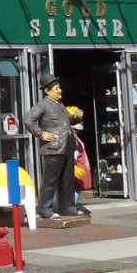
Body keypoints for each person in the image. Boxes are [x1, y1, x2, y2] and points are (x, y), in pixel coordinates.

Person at [24, 75, 85, 220]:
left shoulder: (60, 105)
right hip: (53, 148)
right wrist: (41, 134)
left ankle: (68, 208)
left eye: (59, 88)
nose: (60, 91)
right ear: (47, 91)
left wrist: (76, 117)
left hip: (67, 146)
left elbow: (66, 122)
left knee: (67, 179)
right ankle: (45, 209)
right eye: (56, 89)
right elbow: (28, 120)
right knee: (50, 180)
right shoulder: (42, 105)